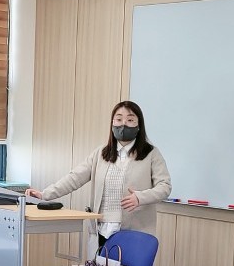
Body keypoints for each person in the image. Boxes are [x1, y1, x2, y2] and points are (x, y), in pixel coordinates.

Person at [26, 101, 171, 243]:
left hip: (134, 230)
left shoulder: (151, 153)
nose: (123, 124)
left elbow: (165, 186)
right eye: (119, 119)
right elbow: (75, 178)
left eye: (130, 120)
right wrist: (45, 194)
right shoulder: (101, 153)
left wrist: (140, 197)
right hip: (101, 228)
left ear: (139, 125)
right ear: (112, 123)